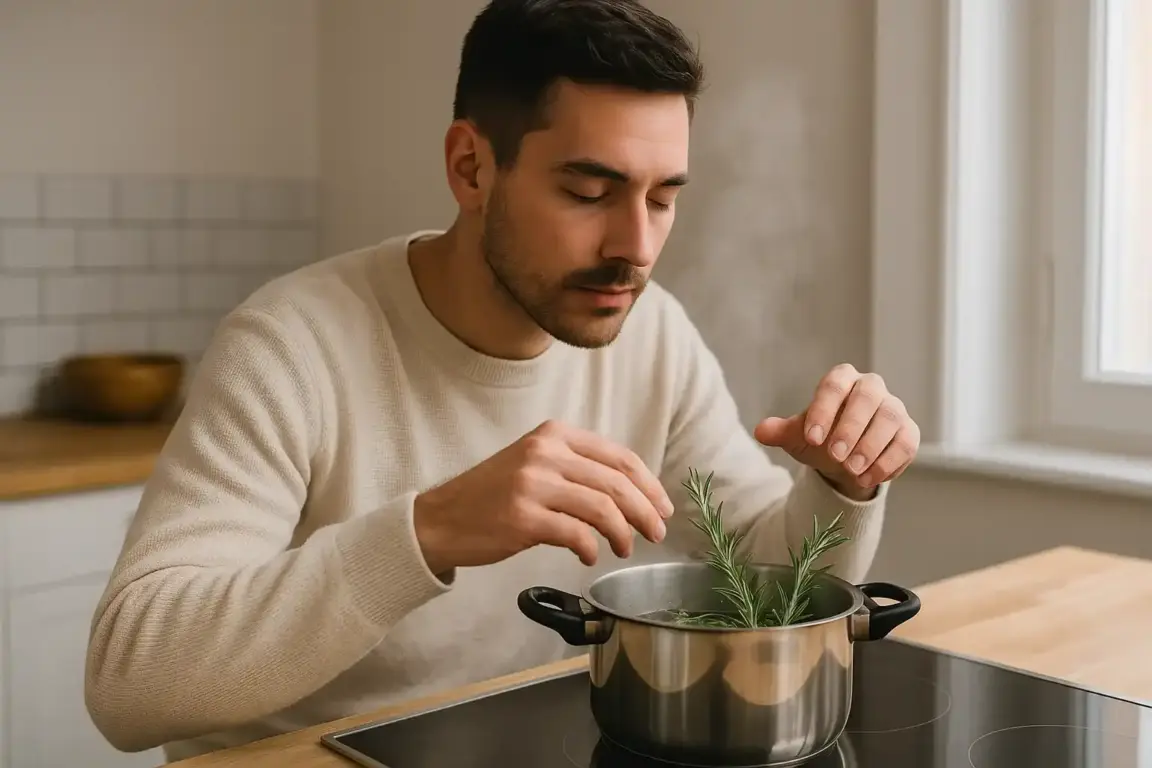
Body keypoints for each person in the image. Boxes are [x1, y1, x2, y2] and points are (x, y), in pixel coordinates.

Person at [84, 0, 920, 761]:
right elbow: (128, 685)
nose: (635, 245)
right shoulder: (288, 347)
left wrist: (843, 484)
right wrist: (430, 531)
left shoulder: (651, 331)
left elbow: (778, 574)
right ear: (471, 168)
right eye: (589, 191)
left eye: (663, 198)